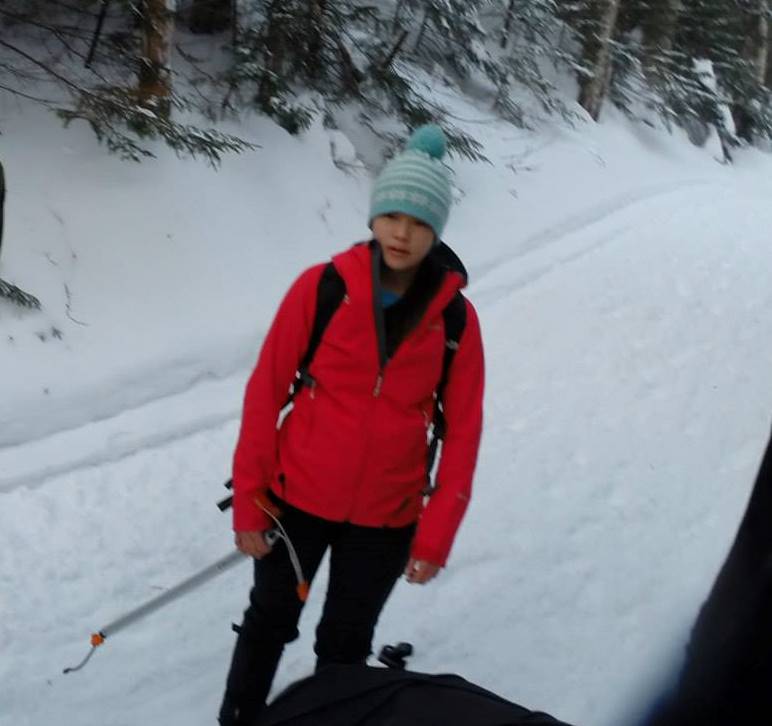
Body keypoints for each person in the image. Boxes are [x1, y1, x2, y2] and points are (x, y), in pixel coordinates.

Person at [219, 124, 485, 726]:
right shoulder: (322, 288)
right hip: (296, 503)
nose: (401, 232)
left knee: (345, 645)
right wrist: (251, 500)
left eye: (418, 221)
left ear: (437, 230)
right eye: (391, 215)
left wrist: (436, 534)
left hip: (387, 518)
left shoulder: (456, 321)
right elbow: (265, 393)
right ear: (373, 218)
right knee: (268, 621)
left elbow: (464, 432)